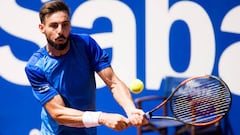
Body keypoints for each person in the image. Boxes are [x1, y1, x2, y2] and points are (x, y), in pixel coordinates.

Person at [25, 0, 146, 135]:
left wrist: (131, 109)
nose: (60, 31)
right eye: (54, 26)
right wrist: (102, 117)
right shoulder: (35, 67)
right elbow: (58, 113)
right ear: (42, 28)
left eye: (65, 25)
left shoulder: (86, 44)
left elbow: (113, 82)